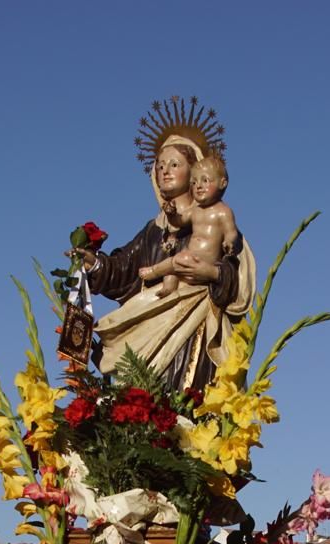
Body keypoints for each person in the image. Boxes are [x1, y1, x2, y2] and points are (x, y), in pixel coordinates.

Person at [76, 135, 256, 391]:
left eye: (174, 164)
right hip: (151, 331)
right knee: (147, 399)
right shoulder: (153, 231)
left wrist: (211, 273)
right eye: (159, 166)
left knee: (190, 398)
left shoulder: (216, 221)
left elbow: (238, 278)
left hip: (197, 326)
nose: (165, 171)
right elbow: (123, 269)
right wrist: (95, 264)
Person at [138, 155, 238, 299]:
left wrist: (229, 242)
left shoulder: (223, 212)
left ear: (222, 183)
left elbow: (231, 232)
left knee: (177, 260)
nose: (198, 186)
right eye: (194, 182)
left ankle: (154, 271)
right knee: (171, 272)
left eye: (205, 180)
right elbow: (179, 221)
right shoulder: (195, 211)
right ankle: (168, 289)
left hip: (204, 263)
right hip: (187, 263)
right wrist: (171, 214)